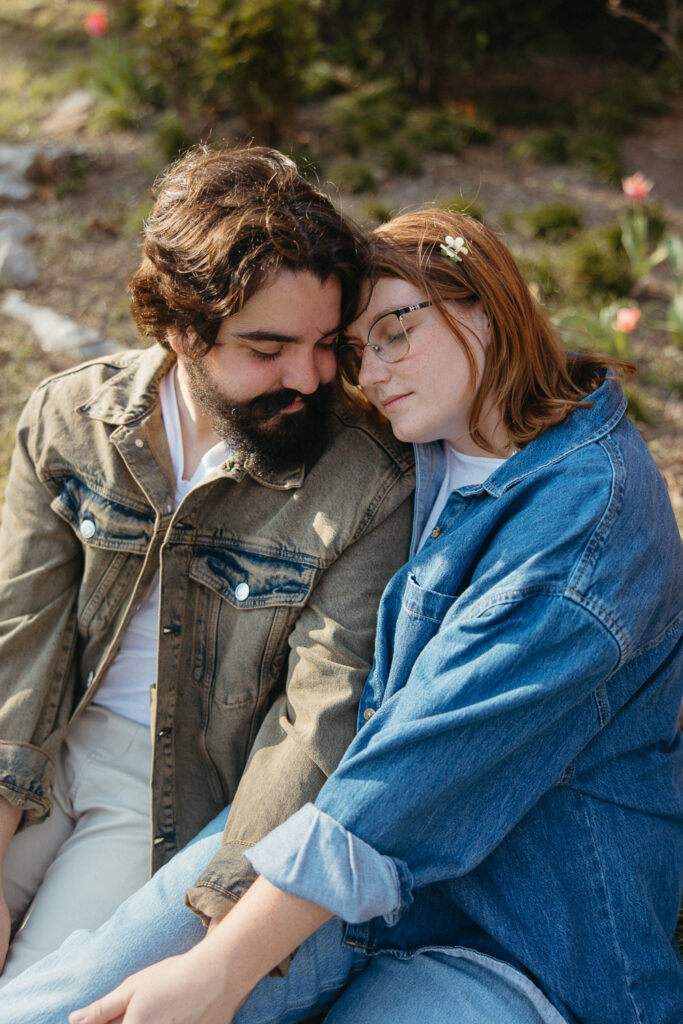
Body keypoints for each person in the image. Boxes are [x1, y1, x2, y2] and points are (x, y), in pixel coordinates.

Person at [2, 208, 682, 1024]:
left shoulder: (584, 529)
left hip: (511, 927)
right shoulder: (422, 440)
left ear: (485, 303)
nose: (367, 373)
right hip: (324, 860)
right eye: (355, 350)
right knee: (65, 1007)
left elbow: (409, 779)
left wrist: (222, 966)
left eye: (394, 331)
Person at [0, 144, 415, 981]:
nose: (309, 374)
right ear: (180, 327)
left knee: (35, 1003)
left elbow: (315, 719)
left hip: (162, 792)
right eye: (267, 348)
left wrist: (225, 919)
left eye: (327, 342)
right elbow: (20, 639)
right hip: (39, 752)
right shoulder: (69, 418)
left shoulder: (367, 481)